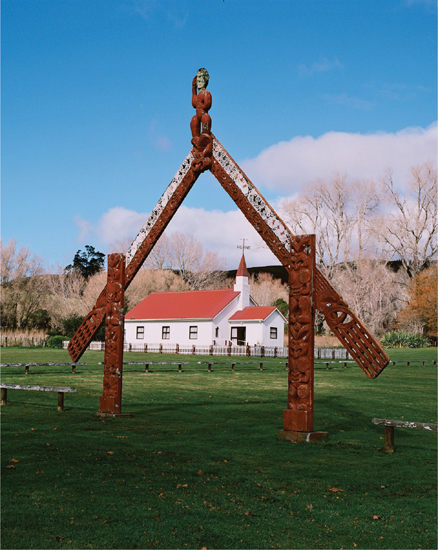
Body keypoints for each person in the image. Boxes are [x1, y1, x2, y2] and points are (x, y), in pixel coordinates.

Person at [190, 68, 212, 146]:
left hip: (203, 115)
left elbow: (207, 104)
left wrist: (201, 105)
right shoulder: (198, 93)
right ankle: (196, 137)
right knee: (194, 119)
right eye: (198, 78)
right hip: (198, 116)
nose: (198, 81)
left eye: (200, 78)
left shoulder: (206, 92)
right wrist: (193, 90)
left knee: (206, 117)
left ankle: (204, 135)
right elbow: (194, 103)